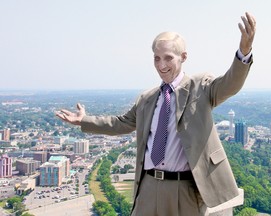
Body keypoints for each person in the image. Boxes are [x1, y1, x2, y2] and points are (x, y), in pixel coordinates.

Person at [56, 12, 256, 216]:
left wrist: (244, 52)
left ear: (183, 57)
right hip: (148, 186)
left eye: (168, 58)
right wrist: (84, 120)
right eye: (157, 58)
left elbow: (230, 84)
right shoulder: (147, 98)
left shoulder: (200, 87)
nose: (161, 65)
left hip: (184, 189)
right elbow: (120, 123)